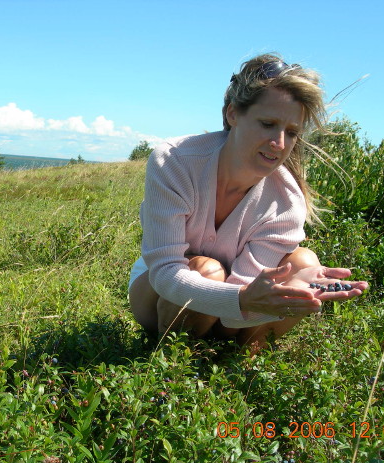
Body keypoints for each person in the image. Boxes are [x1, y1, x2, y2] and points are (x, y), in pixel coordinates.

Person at [128, 53, 368, 353]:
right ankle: (175, 362)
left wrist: (290, 294)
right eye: (267, 123)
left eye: (292, 132)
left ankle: (240, 360)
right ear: (232, 114)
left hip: (233, 307)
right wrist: (242, 298)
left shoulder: (287, 202)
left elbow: (230, 318)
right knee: (208, 270)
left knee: (303, 263)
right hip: (157, 293)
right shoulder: (176, 161)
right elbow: (165, 272)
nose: (279, 144)